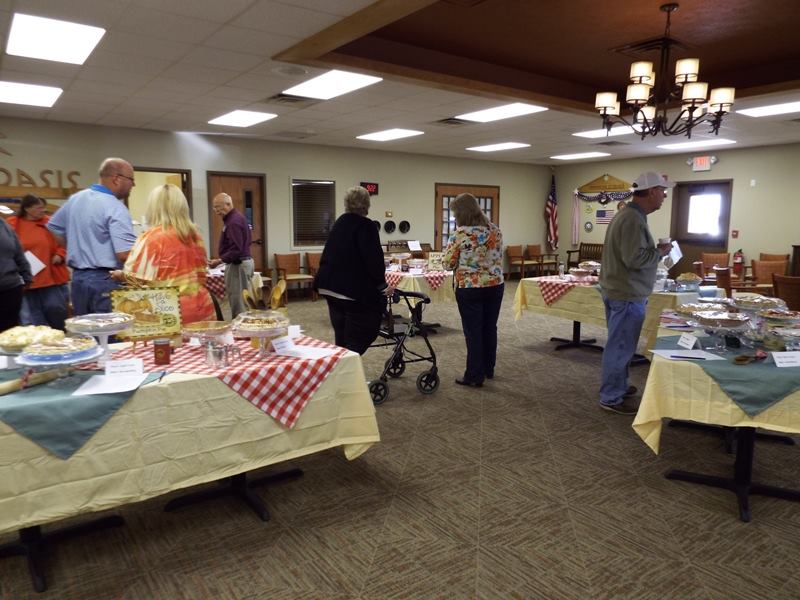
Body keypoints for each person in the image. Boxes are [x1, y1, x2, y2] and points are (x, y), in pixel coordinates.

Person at [598, 171, 673, 415]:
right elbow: (634, 259)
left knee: (621, 344)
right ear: (651, 191)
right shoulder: (632, 219)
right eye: (662, 191)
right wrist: (660, 252)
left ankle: (618, 386)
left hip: (619, 290)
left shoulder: (629, 215)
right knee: (620, 347)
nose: (664, 196)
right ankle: (611, 397)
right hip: (627, 293)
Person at [113, 184, 214, 324]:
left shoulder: (151, 238)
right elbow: (202, 273)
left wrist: (120, 276)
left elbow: (135, 280)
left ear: (154, 208)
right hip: (202, 307)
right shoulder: (196, 236)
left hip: (170, 313)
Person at [47, 157, 137, 315]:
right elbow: (124, 254)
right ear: (117, 179)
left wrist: (75, 247)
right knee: (110, 329)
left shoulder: (76, 199)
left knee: (84, 329)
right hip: (105, 280)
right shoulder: (115, 207)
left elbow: (54, 227)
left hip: (78, 280)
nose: (133, 185)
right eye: (131, 179)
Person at [314, 186, 388, 354]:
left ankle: (342, 366)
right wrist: (382, 285)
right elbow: (373, 260)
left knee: (341, 337)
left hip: (329, 286)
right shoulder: (366, 225)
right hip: (350, 290)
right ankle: (346, 364)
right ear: (366, 204)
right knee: (363, 332)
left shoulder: (339, 223)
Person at [443, 193, 504, 387]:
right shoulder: (495, 231)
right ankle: (488, 368)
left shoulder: (460, 234)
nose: (454, 217)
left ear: (462, 213)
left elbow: (447, 263)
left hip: (470, 287)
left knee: (473, 331)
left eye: (455, 214)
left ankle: (474, 375)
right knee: (489, 327)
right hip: (495, 285)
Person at [6, 195, 70, 329]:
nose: (43, 210)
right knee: (33, 316)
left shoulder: (50, 223)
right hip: (26, 278)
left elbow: (65, 241)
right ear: (27, 209)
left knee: (56, 308)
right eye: (38, 208)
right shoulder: (12, 224)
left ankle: (60, 333)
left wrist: (60, 254)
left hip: (51, 277)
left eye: (43, 207)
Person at [208, 193, 253, 318]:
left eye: (218, 207)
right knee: (239, 300)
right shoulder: (234, 218)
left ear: (228, 204)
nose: (216, 210)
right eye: (214, 207)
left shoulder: (233, 222)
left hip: (238, 265)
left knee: (239, 303)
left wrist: (219, 261)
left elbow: (236, 249)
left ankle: (241, 328)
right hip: (240, 263)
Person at [0, 212, 33, 331]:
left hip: (10, 288)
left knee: (9, 331)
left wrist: (27, 276)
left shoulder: (5, 226)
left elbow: (19, 254)